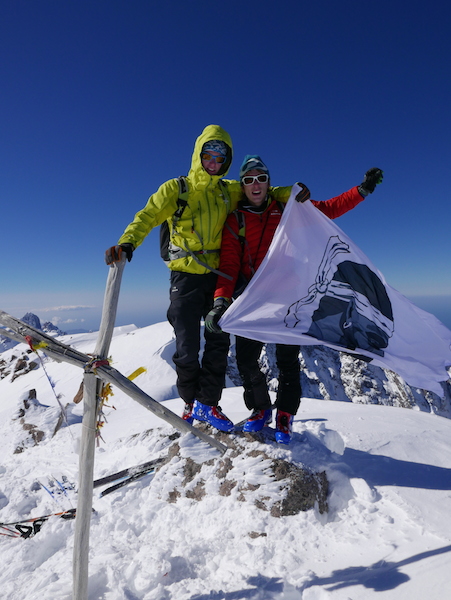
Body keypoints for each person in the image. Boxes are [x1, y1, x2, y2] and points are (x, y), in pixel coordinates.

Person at [105, 127, 293, 433]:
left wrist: (293, 192)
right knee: (187, 344)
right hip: (185, 276)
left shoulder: (228, 190)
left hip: (218, 277)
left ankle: (208, 403)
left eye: (220, 158)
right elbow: (148, 215)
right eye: (209, 156)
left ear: (226, 161)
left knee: (218, 342)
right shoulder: (176, 189)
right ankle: (190, 402)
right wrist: (127, 243)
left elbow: (262, 190)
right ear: (198, 156)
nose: (214, 163)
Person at [205, 155, 383, 443]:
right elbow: (229, 265)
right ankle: (261, 408)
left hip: (290, 297)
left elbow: (327, 210)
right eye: (249, 179)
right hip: (254, 298)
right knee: (246, 359)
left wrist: (361, 191)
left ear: (268, 183)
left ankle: (285, 415)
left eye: (261, 178)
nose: (255, 184)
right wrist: (220, 301)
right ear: (243, 185)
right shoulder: (235, 220)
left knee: (288, 360)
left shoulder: (288, 210)